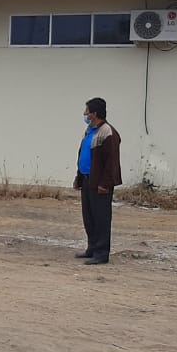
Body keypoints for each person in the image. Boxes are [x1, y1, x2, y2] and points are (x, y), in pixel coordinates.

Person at [72, 97, 121, 265]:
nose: (84, 114)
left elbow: (111, 162)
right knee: (89, 217)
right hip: (87, 180)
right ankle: (92, 248)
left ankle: (101, 253)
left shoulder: (108, 133)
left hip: (100, 183)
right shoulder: (89, 130)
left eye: (87, 111)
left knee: (101, 218)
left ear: (94, 113)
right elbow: (84, 155)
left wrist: (105, 184)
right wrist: (79, 177)